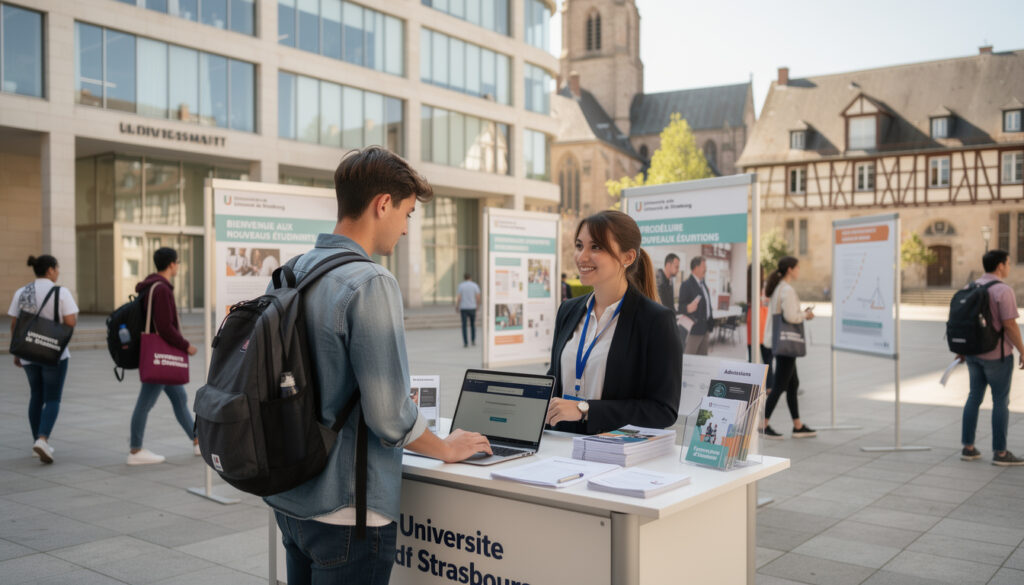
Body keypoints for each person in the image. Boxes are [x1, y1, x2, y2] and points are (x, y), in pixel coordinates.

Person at [265, 147, 490, 585]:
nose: (405, 228)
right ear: (382, 204)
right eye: (406, 213)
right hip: (348, 510)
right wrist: (447, 447)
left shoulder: (292, 272)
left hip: (290, 500)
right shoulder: (370, 281)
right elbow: (388, 416)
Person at [544, 210, 682, 434]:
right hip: (559, 448)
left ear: (627, 257)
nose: (582, 256)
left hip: (614, 456)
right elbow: (553, 380)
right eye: (579, 246)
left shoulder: (655, 321)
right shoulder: (568, 311)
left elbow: (663, 410)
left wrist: (585, 409)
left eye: (596, 247)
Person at [126, 247, 200, 465]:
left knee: (180, 398)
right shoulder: (161, 290)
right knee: (145, 402)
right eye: (177, 262)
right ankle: (135, 450)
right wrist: (186, 346)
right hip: (160, 357)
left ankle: (197, 442)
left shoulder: (152, 286)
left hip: (159, 357)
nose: (178, 265)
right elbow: (165, 327)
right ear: (171, 264)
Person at [8, 255, 78, 464]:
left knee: (36, 396)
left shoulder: (22, 292)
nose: (58, 272)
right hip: (53, 354)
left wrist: (17, 351)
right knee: (53, 398)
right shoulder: (61, 292)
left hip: (28, 352)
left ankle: (36, 441)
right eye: (56, 268)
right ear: (49, 270)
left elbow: (14, 323)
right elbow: (70, 322)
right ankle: (42, 439)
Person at [959, 250, 1024, 466]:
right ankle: (1001, 453)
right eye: (1008, 263)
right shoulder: (1003, 290)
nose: (1009, 266)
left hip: (973, 354)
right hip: (997, 355)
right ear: (999, 266)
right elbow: (1010, 324)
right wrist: (1023, 350)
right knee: (1000, 402)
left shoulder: (970, 287)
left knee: (974, 397)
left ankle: (968, 447)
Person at [761, 256, 816, 439]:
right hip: (786, 343)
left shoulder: (779, 288)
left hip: (780, 341)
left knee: (793, 384)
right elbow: (792, 316)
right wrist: (806, 315)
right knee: (779, 386)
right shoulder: (787, 290)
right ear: (790, 269)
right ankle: (763, 424)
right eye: (797, 268)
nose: (799, 270)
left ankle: (797, 426)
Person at [746, 264, 774, 393]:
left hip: (751, 325)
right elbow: (768, 303)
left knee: (752, 359)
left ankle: (753, 386)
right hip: (763, 325)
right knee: (768, 359)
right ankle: (769, 386)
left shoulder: (747, 286)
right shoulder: (765, 286)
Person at [679, 256, 714, 355]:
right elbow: (680, 307)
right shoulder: (686, 284)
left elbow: (708, 304)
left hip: (705, 329)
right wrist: (687, 308)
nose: (706, 269)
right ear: (696, 268)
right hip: (694, 331)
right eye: (704, 266)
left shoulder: (703, 284)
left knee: (702, 361)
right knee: (690, 360)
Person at [455, 273, 481, 347]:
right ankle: (473, 340)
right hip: (472, 307)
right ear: (470, 277)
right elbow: (478, 296)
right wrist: (477, 305)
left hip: (464, 308)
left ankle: (465, 342)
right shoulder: (475, 285)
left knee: (464, 326)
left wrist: (457, 306)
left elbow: (459, 297)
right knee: (473, 325)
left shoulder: (461, 286)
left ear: (464, 278)